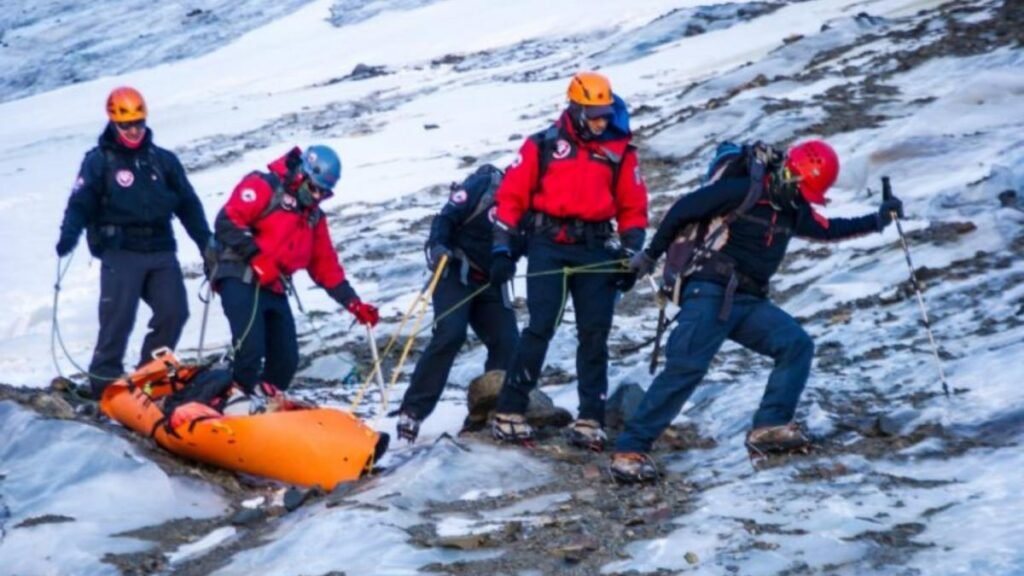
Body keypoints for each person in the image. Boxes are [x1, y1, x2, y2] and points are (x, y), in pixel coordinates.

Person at [609, 140, 904, 482]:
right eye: (799, 187)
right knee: (685, 369)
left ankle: (770, 426)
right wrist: (650, 255)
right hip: (709, 289)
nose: (800, 195)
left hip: (748, 299)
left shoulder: (793, 206)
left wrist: (879, 219)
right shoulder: (740, 190)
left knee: (795, 345)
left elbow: (828, 230)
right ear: (787, 172)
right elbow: (683, 210)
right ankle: (630, 449)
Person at [489, 71, 649, 450]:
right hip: (548, 245)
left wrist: (631, 251)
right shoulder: (541, 145)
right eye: (593, 114)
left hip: (596, 249)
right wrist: (501, 247)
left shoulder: (619, 151)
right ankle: (510, 408)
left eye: (605, 113)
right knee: (540, 326)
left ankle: (590, 417)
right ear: (575, 109)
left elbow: (633, 207)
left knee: (595, 334)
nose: (601, 121)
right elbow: (510, 197)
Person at [56, 87, 212, 398]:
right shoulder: (99, 161)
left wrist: (205, 242)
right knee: (118, 320)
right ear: (113, 122)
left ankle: (147, 376)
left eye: (138, 123)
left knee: (174, 312)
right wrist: (69, 234)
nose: (133, 130)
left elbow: (188, 203)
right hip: (120, 252)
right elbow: (81, 202)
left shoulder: (163, 160)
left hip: (161, 249)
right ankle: (103, 386)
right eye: (126, 125)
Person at [210, 145, 379, 413]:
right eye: (314, 189)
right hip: (240, 275)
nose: (317, 197)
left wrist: (354, 304)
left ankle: (262, 405)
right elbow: (227, 221)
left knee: (287, 359)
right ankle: (231, 402)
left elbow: (326, 266)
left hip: (273, 284)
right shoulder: (263, 186)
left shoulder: (313, 218)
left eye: (324, 193)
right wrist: (256, 257)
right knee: (250, 349)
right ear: (301, 174)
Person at [394, 165, 521, 442]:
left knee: (508, 342)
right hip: (456, 271)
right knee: (450, 333)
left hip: (492, 282)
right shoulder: (485, 185)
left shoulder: (533, 207)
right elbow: (445, 219)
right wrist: (438, 246)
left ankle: (484, 415)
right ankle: (412, 411)